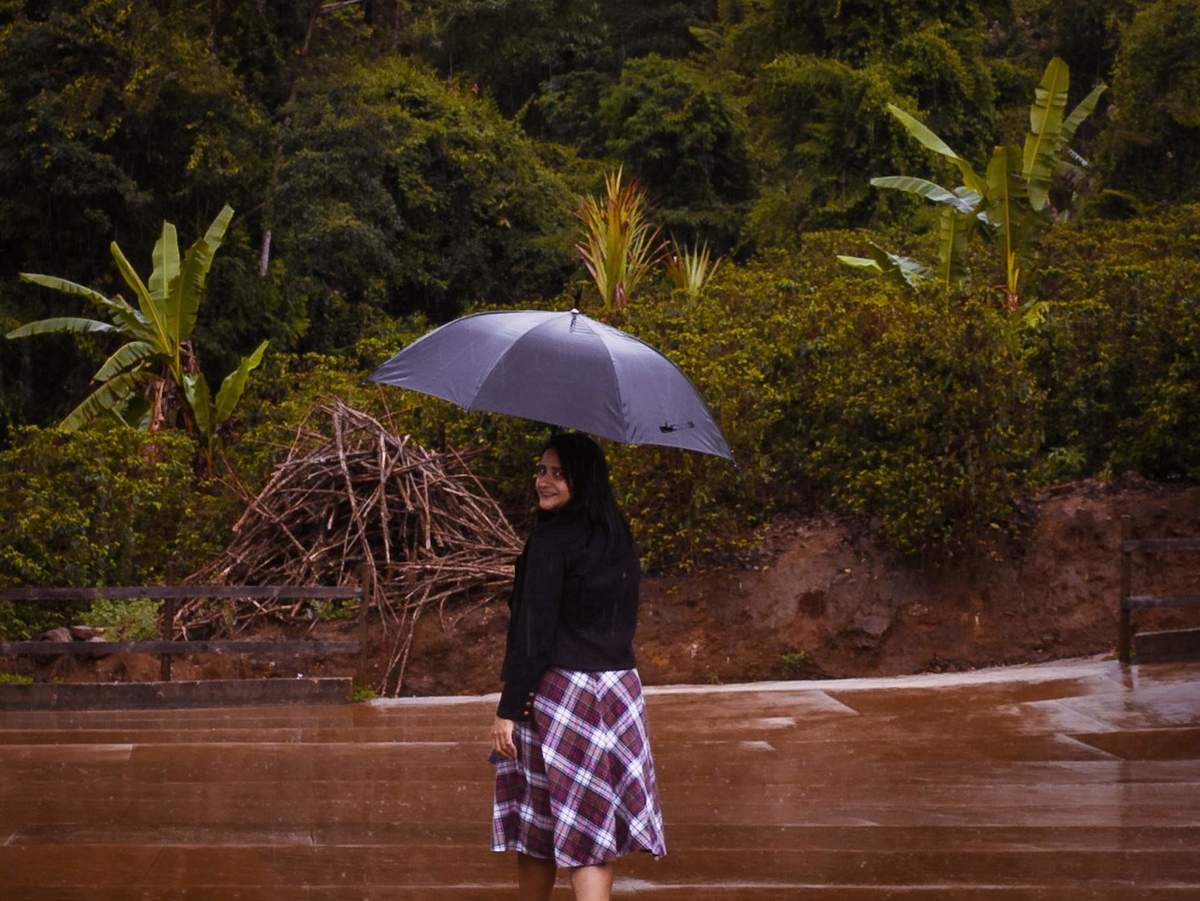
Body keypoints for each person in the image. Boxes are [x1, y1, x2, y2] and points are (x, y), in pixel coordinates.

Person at [491, 432, 666, 900]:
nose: (543, 481)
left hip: (561, 693)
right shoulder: (616, 532)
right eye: (542, 470)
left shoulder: (550, 540)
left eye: (558, 473)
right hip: (619, 691)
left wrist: (508, 706)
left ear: (581, 478)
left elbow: (534, 631)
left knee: (545, 823)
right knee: (584, 826)